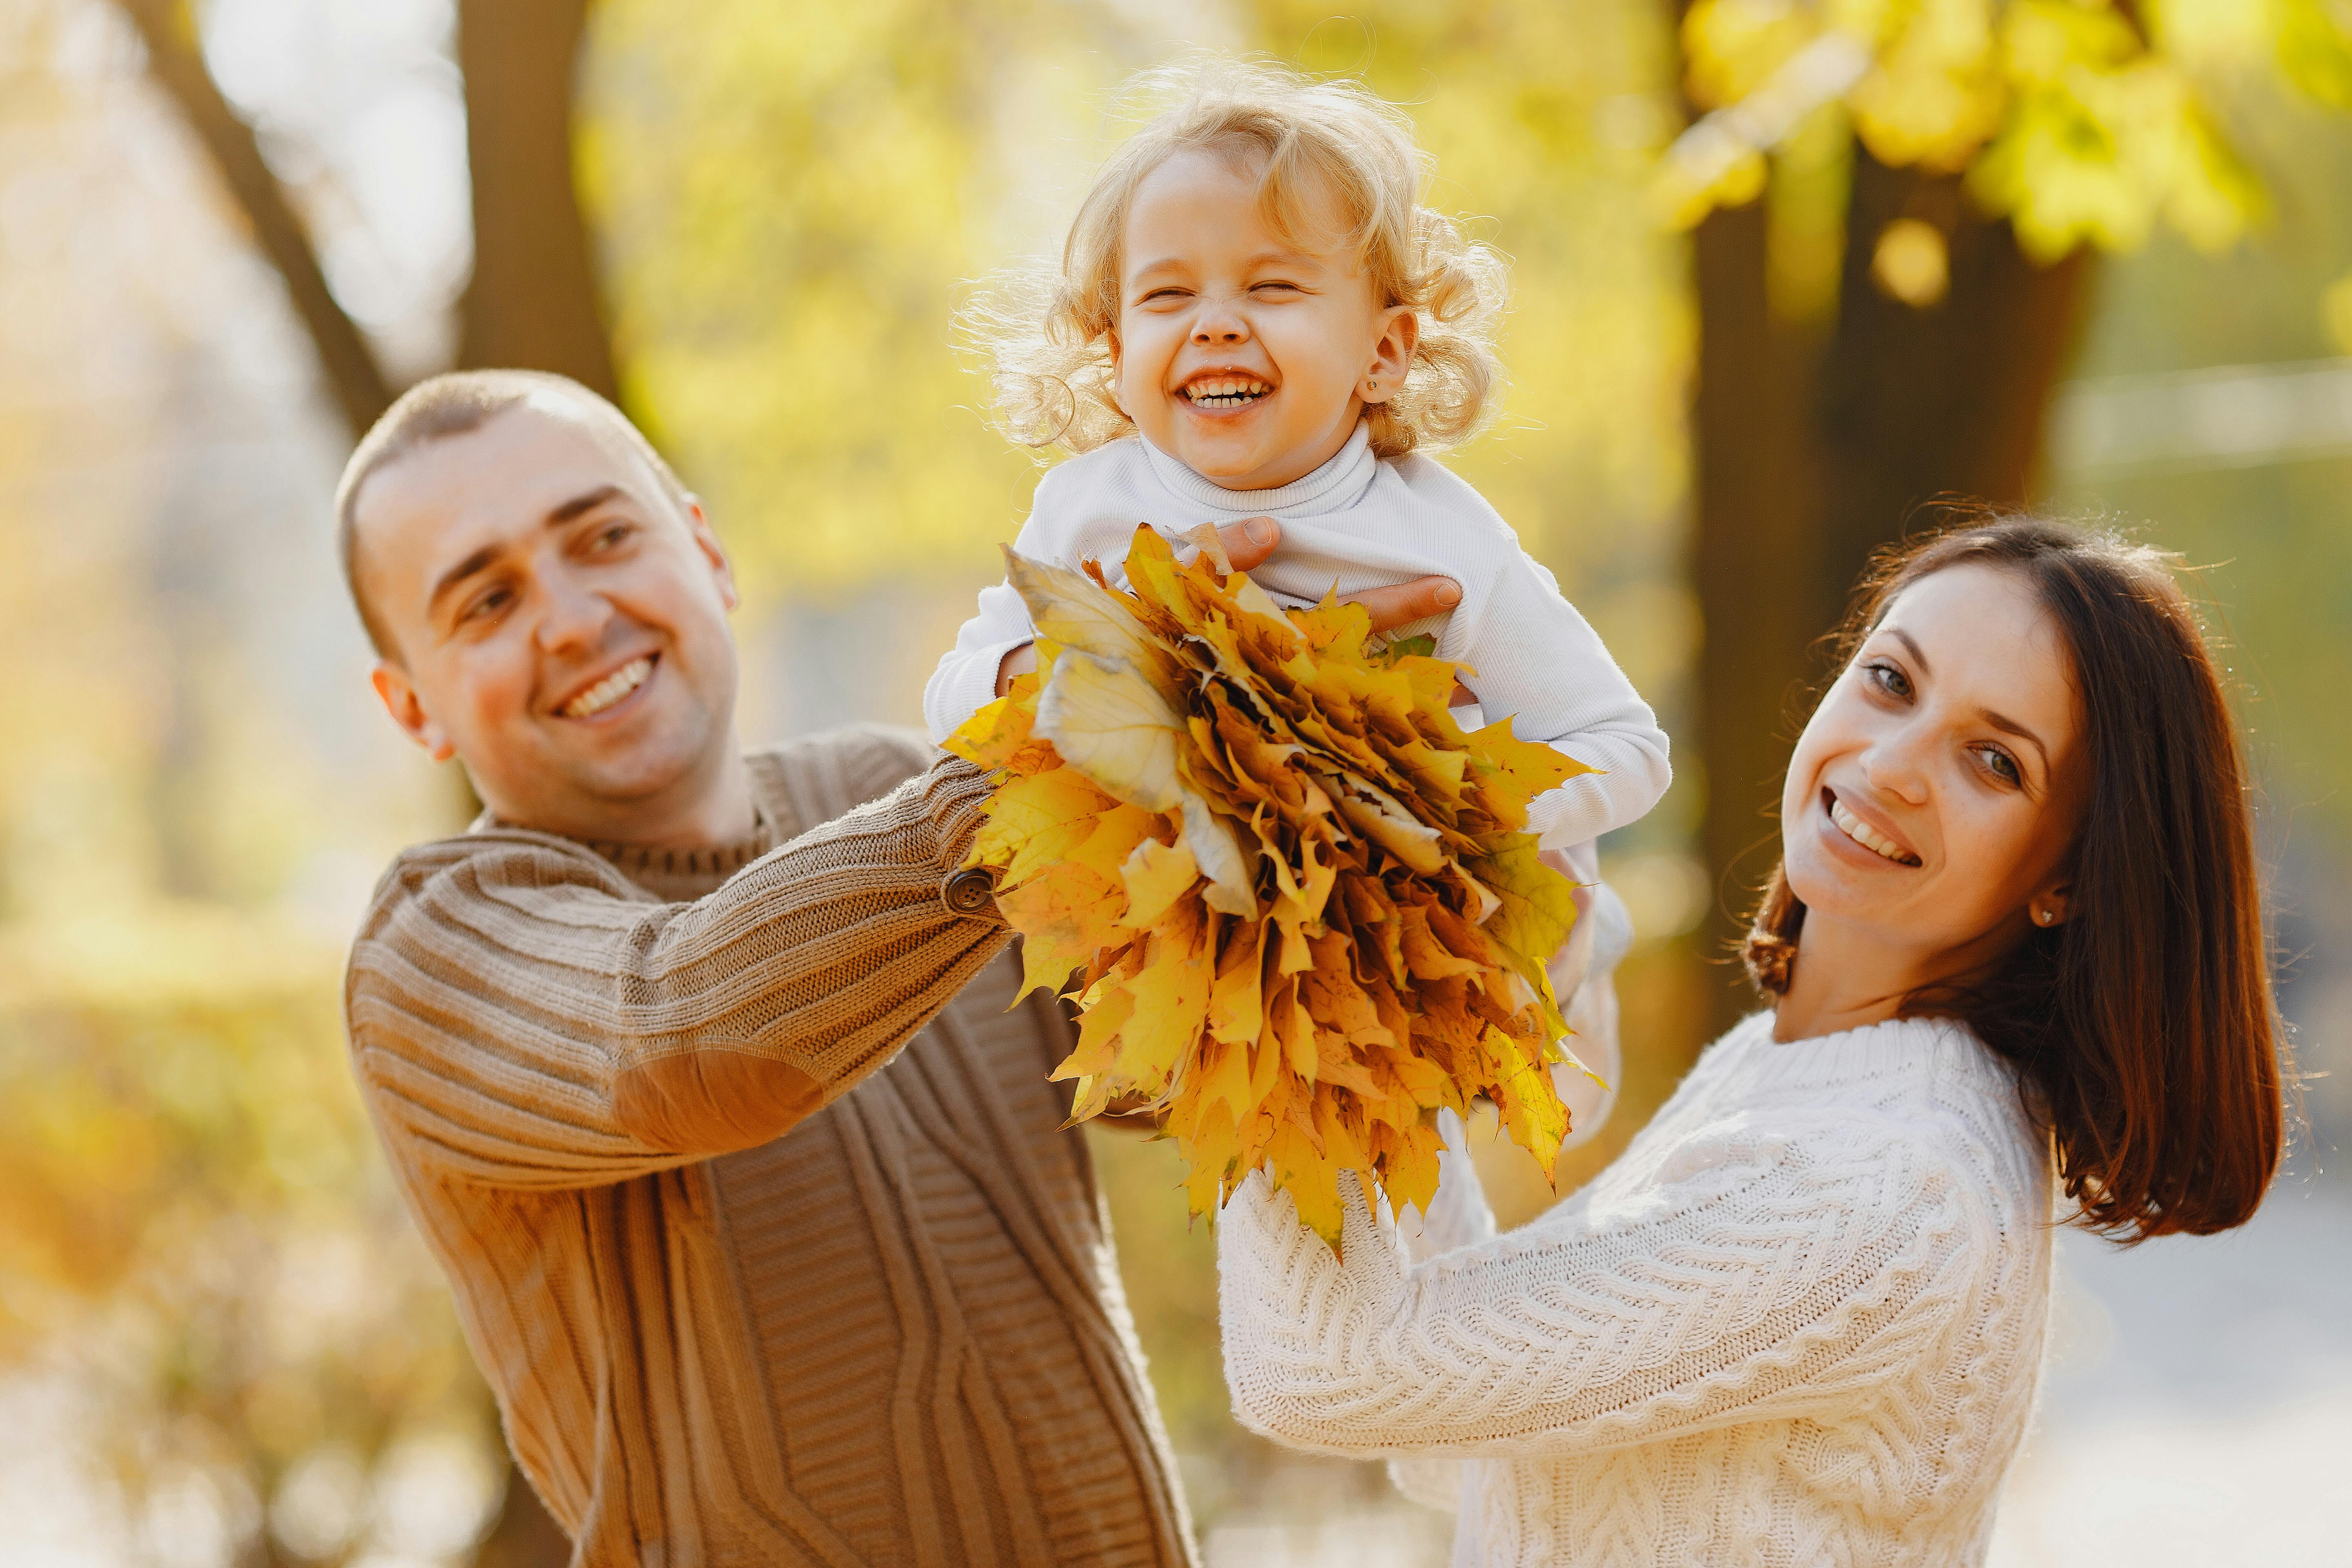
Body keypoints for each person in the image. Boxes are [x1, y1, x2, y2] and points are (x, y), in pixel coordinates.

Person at [334, 368, 1462, 1565]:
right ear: (414, 710)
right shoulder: (437, 948)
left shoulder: (892, 793)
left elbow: (1204, 1060)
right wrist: (1044, 752)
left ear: (705, 550)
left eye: (603, 537)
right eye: (486, 601)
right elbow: (681, 1041)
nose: (568, 618)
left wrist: (1319, 735)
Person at [1217, 517, 2287, 1566]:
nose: (1896, 764)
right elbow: (1471, 1427)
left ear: (2065, 878)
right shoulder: (1804, 1075)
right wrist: (1387, 957)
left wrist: (1260, 925)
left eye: (1995, 762)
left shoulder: (1883, 1185)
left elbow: (1330, 1373)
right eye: (1891, 682)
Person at [924, 63, 1670, 858]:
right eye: (1167, 296)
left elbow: (1623, 746)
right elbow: (953, 696)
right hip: (1192, 941)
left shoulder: (1441, 543)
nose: (1214, 324)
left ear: (1382, 351)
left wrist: (1450, 808)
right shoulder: (1086, 512)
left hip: (1418, 936)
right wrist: (1047, 673)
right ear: (1116, 353)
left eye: (1272, 286)